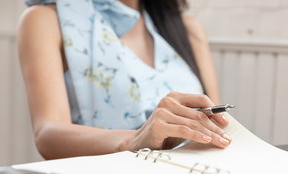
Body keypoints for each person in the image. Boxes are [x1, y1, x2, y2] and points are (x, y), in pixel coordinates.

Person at [18, 0, 231, 160]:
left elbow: (218, 123)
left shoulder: (188, 29)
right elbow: (48, 135)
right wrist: (135, 140)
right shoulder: (46, 19)